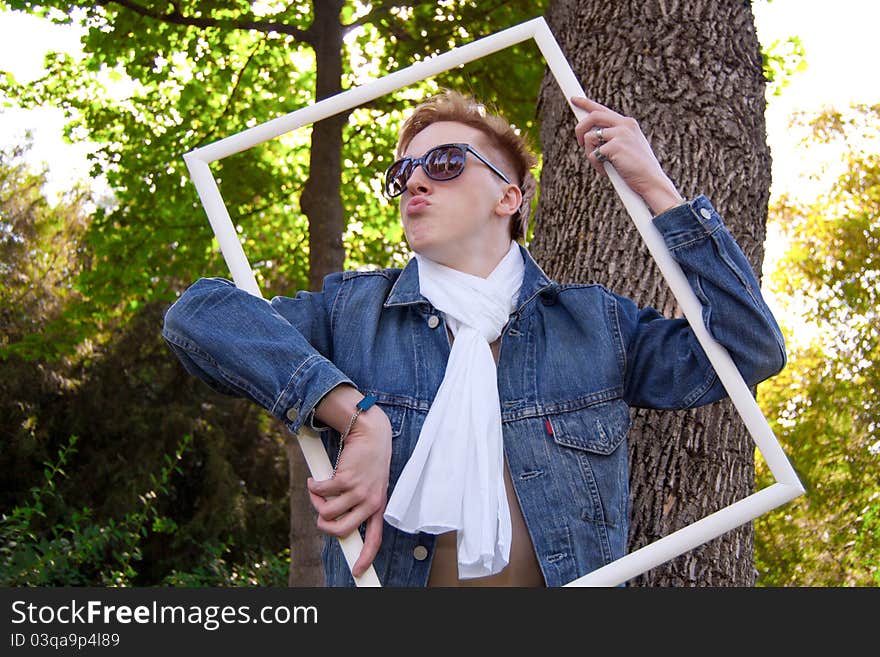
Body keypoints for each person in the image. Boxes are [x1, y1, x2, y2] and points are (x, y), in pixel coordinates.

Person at [162, 90, 786, 587]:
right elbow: (197, 316)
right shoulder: (353, 311)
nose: (414, 182)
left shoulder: (596, 326)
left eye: (445, 163)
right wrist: (359, 416)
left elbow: (750, 349)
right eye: (402, 171)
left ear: (507, 198)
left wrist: (656, 189)